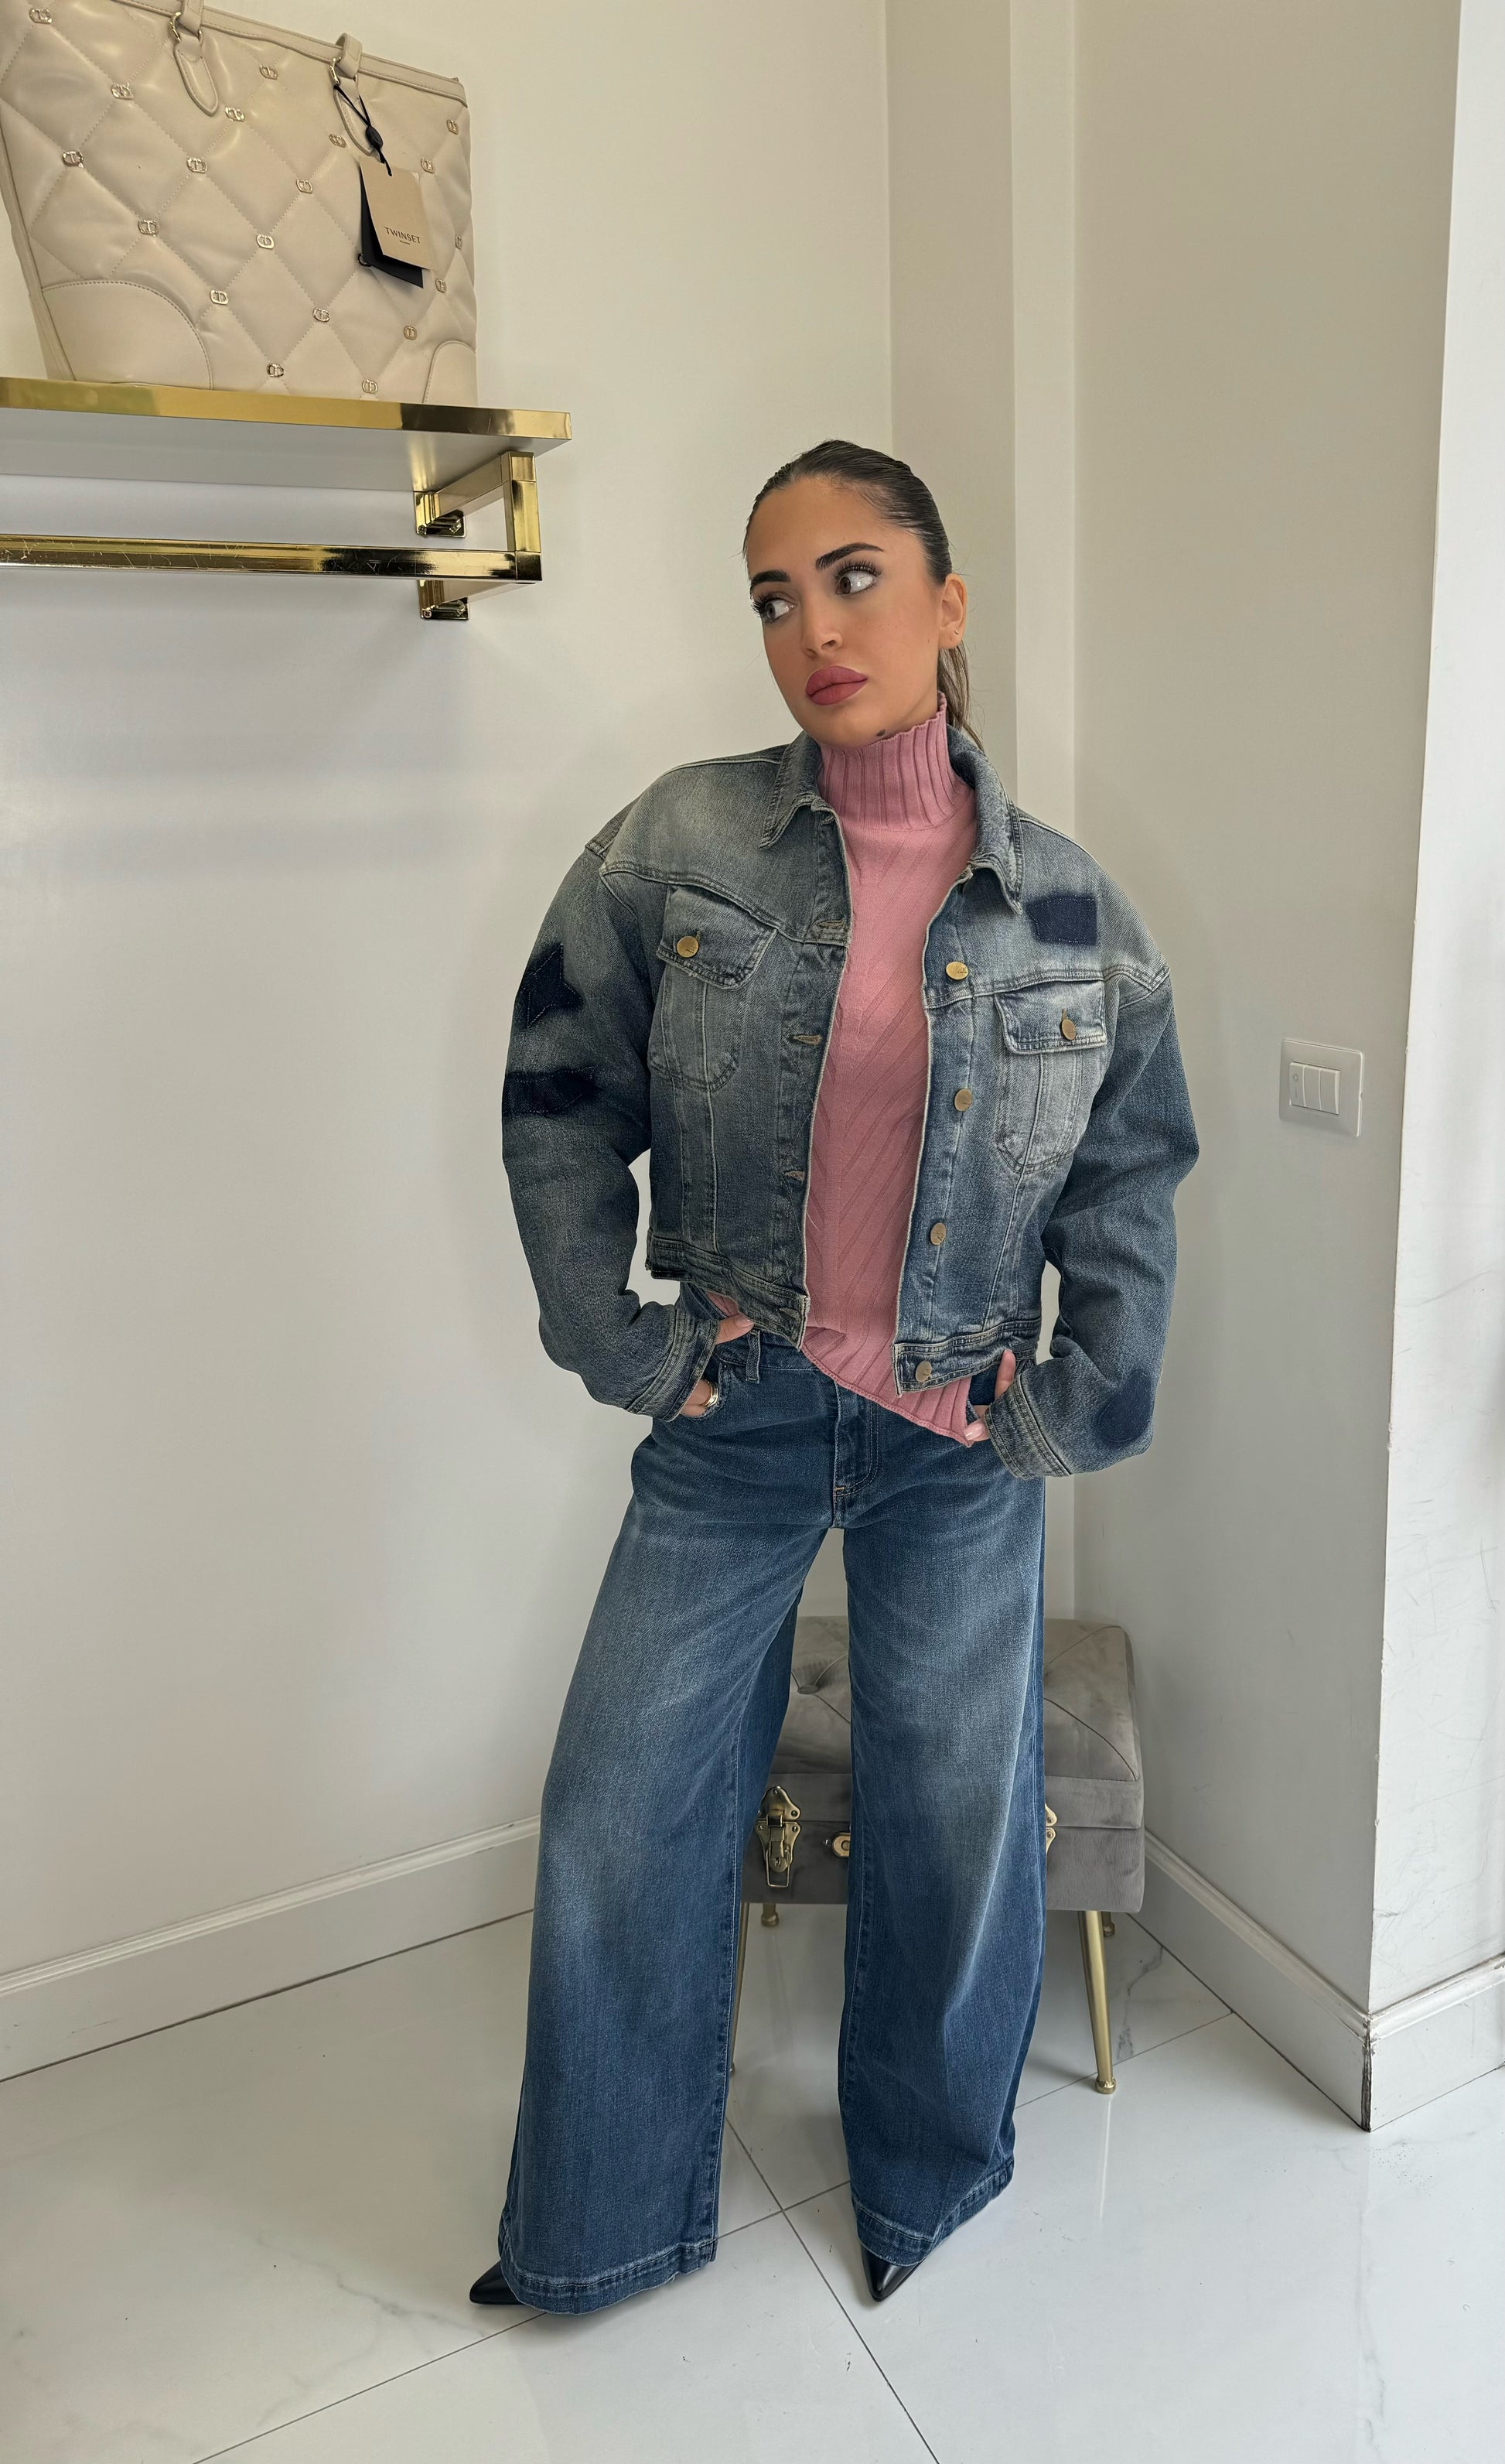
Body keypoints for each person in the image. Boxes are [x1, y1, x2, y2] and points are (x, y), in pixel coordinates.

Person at [469, 439, 1198, 2316]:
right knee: (622, 1803)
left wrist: (1072, 1403)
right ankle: (601, 2223)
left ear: (948, 606)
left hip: (955, 1433)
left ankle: (927, 2176)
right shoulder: (677, 846)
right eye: (773, 598)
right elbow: (558, 1098)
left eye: (854, 577)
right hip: (739, 1412)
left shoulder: (1066, 910)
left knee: (957, 1820)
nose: (813, 628)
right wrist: (624, 1341)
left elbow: (1130, 1170)